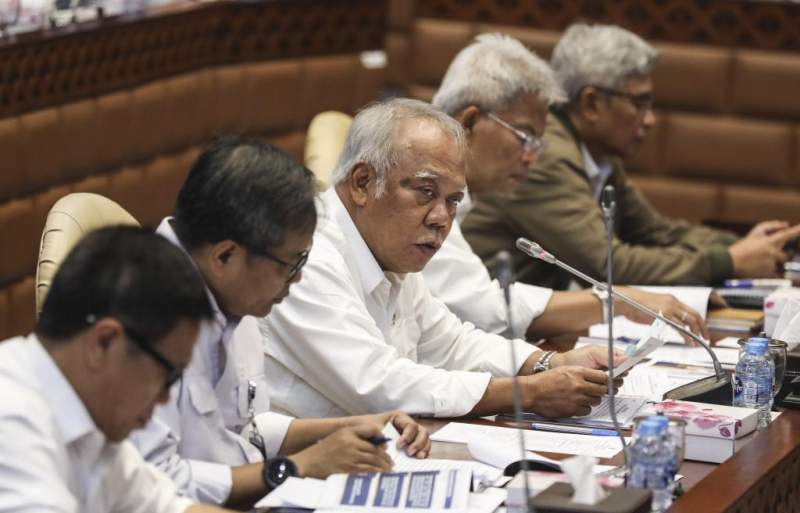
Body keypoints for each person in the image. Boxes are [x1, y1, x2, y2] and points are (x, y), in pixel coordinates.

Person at [261, 98, 624, 422]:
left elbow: (451, 344)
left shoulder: (387, 249)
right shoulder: (307, 255)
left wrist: (549, 363)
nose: (441, 217)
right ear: (362, 182)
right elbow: (378, 386)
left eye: (452, 201)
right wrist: (528, 392)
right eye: (426, 192)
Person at [131, 137, 430, 511]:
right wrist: (295, 467)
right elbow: (155, 486)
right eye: (290, 265)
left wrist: (347, 429)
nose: (298, 280)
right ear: (227, 255)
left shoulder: (228, 294)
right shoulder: (142, 316)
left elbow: (242, 431)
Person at [462, 23, 800, 290]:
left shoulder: (598, 154)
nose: (650, 119)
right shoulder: (543, 155)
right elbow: (609, 266)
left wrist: (750, 245)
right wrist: (727, 260)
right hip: (494, 326)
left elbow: (656, 233)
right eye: (639, 103)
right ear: (592, 103)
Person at [424, 33, 708, 340]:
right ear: (469, 123)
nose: (532, 157)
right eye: (525, 137)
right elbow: (486, 311)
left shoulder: (457, 195)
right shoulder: (420, 192)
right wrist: (619, 303)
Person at [0, 225, 239, 512]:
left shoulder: (95, 424)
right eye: (168, 375)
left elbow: (168, 507)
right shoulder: (11, 419)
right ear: (104, 342)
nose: (166, 398)